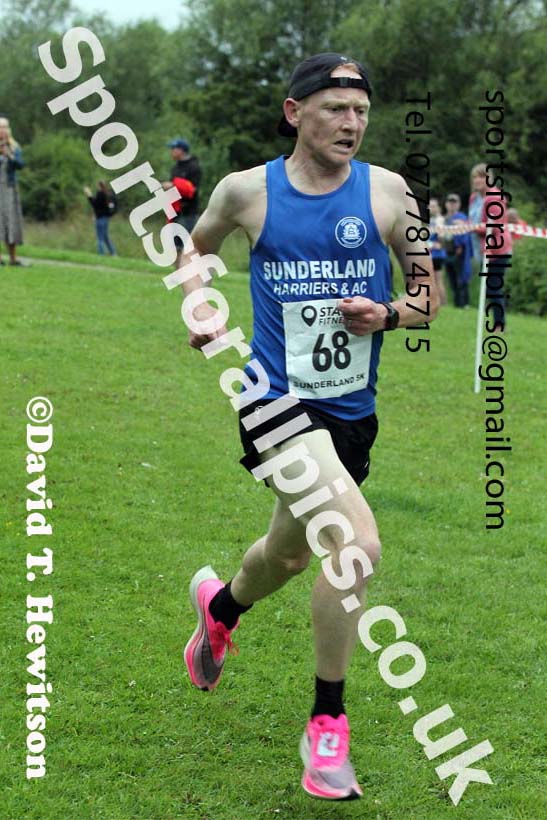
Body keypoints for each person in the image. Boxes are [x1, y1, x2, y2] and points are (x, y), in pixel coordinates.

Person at [179, 53, 439, 801]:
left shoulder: (389, 192)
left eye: (360, 112)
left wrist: (387, 313)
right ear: (295, 112)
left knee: (289, 555)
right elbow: (193, 250)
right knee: (356, 545)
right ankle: (327, 726)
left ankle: (220, 609)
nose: (351, 124)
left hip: (349, 413)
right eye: (334, 109)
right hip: (273, 403)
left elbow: (428, 296)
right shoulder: (246, 191)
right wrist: (200, 302)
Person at [470, 163, 512, 332]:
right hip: (482, 249)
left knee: (493, 287)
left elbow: (494, 226)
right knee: (489, 288)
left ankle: (500, 324)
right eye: (475, 177)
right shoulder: (474, 198)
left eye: (481, 176)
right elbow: (473, 220)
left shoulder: (495, 197)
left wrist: (472, 228)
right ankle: (497, 321)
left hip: (498, 249)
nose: (477, 180)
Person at [163, 137, 201, 262]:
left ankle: (193, 268)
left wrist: (173, 185)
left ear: (181, 150)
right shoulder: (175, 168)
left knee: (189, 244)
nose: (171, 151)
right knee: (176, 244)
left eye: (173, 149)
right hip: (176, 211)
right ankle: (178, 269)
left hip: (189, 212)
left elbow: (192, 190)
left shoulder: (194, 167)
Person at [0, 116, 26, 266]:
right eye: (0, 127)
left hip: (9, 189)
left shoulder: (14, 146)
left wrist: (9, 155)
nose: (2, 130)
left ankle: (13, 258)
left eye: (4, 126)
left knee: (11, 221)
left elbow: (21, 165)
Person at [443, 193, 473, 308]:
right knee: (452, 278)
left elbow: (465, 234)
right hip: (446, 252)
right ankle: (457, 302)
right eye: (450, 202)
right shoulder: (444, 219)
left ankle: (464, 303)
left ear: (458, 204)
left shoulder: (461, 218)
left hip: (459, 252)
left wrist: (460, 246)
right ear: (446, 204)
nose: (452, 205)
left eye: (454, 202)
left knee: (461, 277)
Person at [84, 180, 116, 255]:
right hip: (106, 218)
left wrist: (89, 195)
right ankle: (113, 253)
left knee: (100, 238)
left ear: (99, 186)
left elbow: (95, 205)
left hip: (100, 218)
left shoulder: (100, 193)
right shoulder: (107, 193)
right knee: (105, 237)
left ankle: (101, 254)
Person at [429, 197, 447, 305]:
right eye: (430, 206)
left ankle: (443, 302)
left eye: (433, 206)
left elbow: (441, 239)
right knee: (434, 280)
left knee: (438, 279)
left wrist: (433, 244)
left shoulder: (439, 220)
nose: (431, 208)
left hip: (437, 255)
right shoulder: (432, 220)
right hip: (433, 254)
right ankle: (438, 302)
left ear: (438, 208)